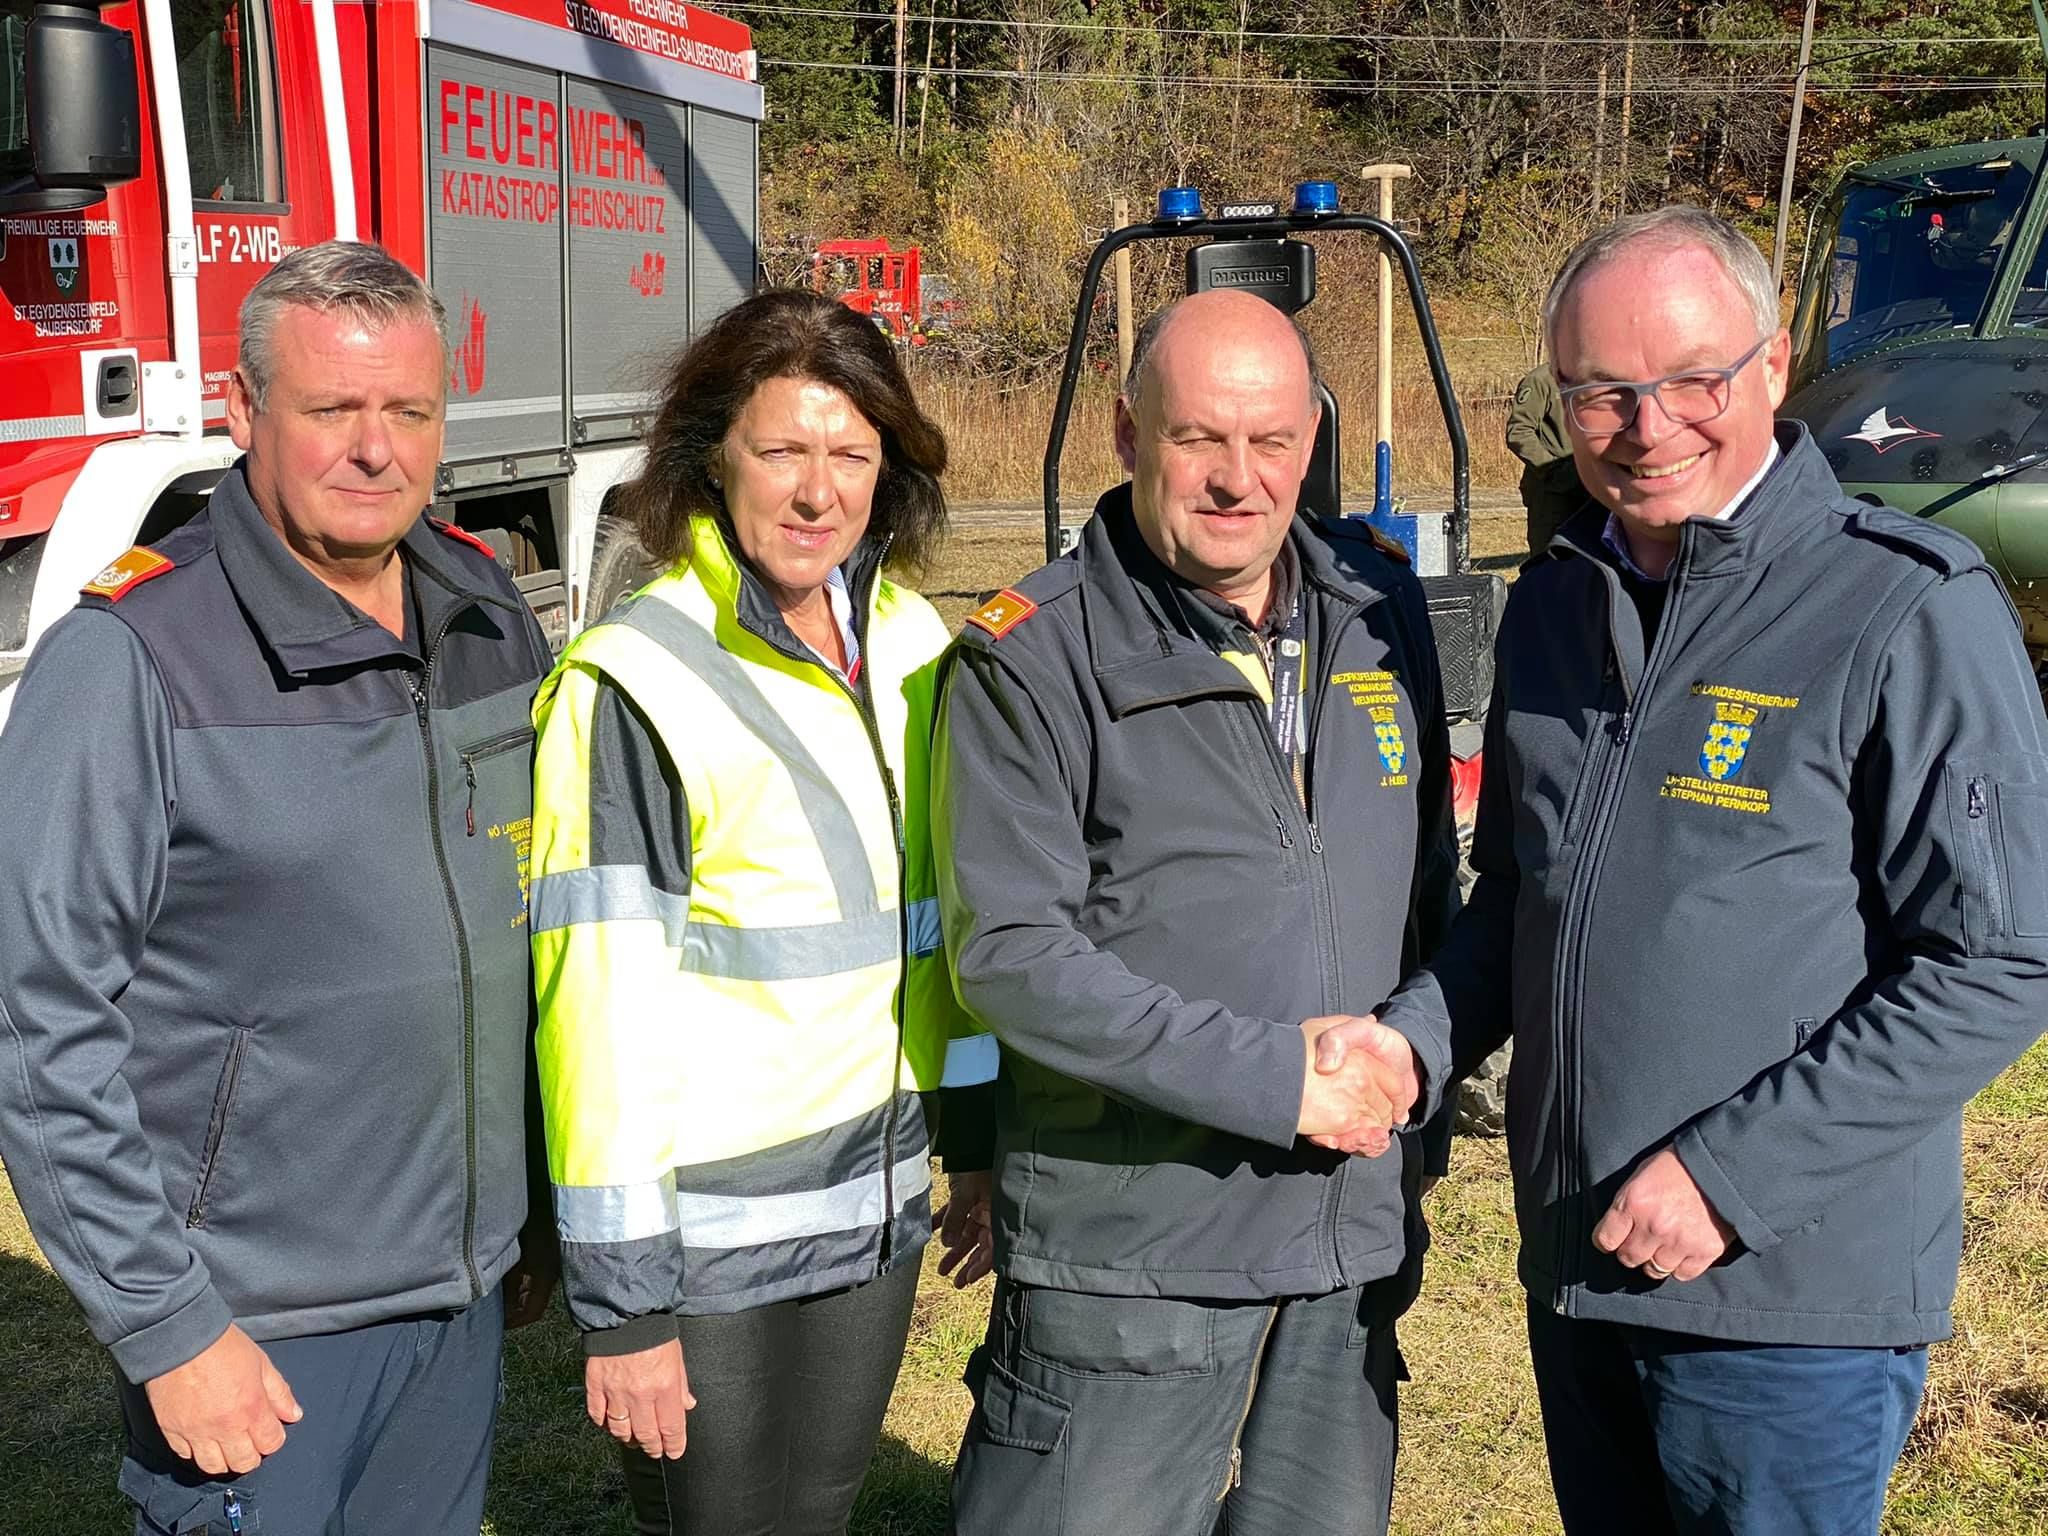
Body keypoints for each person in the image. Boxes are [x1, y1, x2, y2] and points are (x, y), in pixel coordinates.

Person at [1338, 205, 2048, 1534]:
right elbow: (1523, 904)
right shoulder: (1554, 610)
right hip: (1579, 1266)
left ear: (1773, 369)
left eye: (1691, 382)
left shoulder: (1903, 604)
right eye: (1602, 392)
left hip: (1786, 1305)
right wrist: (1413, 1044)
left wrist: (1736, 1177)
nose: (1648, 425)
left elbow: (2000, 958)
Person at [0, 241, 556, 1533]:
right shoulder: (132, 660)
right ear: (245, 413)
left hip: (456, 1298)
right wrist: (167, 1323)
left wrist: (525, 1207)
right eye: (333, 411)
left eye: (409, 412)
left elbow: (517, 931)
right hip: (259, 1323)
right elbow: (38, 1025)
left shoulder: (484, 615)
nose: (377, 448)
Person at [934, 287, 1460, 1536]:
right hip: (1136, 1250)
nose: (1237, 479)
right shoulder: (1029, 656)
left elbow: (1435, 900)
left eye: (1272, 441)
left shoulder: (1379, 619)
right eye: (1197, 439)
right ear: (1125, 433)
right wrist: (1276, 1079)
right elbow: (1008, 955)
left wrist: (1413, 1059)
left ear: (1313, 440)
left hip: (1346, 1241)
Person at [527, 287, 997, 1534]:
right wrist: (625, 1307)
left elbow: (939, 933)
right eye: (782, 448)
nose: (816, 490)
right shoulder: (639, 678)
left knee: (818, 1517)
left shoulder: (908, 643)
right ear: (711, 457)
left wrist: (980, 1144)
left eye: (849, 454)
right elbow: (597, 1013)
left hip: (873, 1210)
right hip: (707, 1249)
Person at [1505, 359, 1587, 556]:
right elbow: (1518, 432)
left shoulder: (1594, 377)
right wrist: (1552, 468)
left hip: (1591, 488)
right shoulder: (1542, 380)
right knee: (1549, 560)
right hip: (1552, 492)